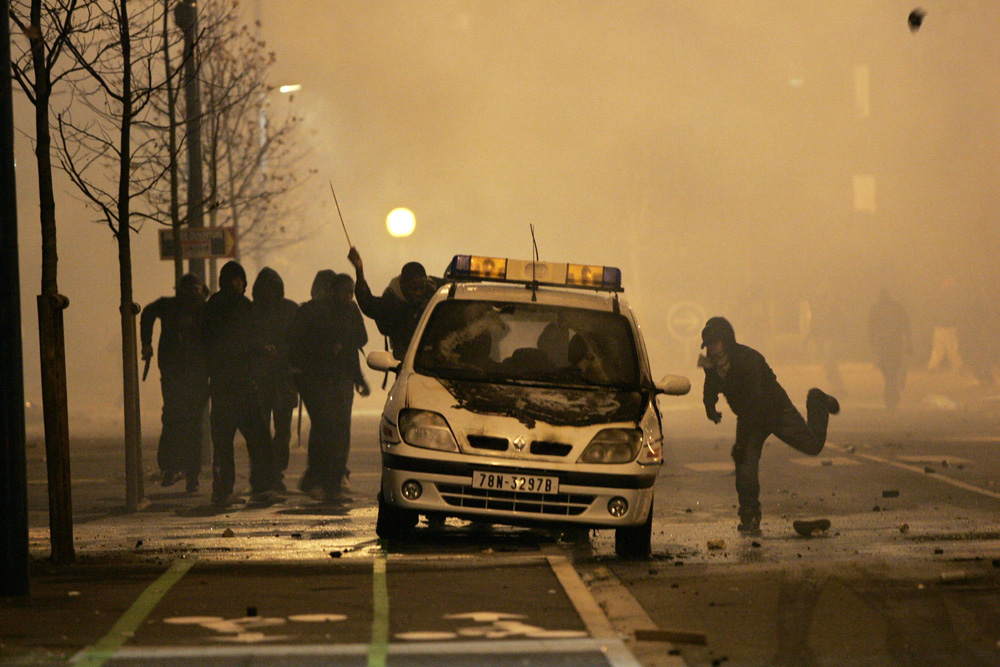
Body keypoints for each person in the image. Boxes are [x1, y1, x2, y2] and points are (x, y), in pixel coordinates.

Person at [699, 316, 840, 535]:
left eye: (715, 343)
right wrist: (711, 408)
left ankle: (817, 401)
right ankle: (750, 517)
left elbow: (756, 398)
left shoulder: (749, 359)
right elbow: (710, 387)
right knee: (745, 466)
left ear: (726, 341)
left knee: (813, 446)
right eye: (708, 344)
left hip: (774, 411)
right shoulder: (710, 362)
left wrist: (743, 440)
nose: (711, 348)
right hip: (748, 417)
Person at [201, 260, 279, 506]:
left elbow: (249, 338)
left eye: (241, 279)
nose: (239, 283)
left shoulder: (239, 306)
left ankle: (242, 488)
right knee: (236, 440)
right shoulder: (221, 306)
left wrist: (260, 350)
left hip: (239, 382)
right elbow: (228, 341)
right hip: (229, 383)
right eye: (235, 279)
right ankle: (231, 489)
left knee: (249, 438)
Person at [288, 270, 368, 502]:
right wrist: (328, 349)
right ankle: (319, 482)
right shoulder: (315, 312)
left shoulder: (349, 311)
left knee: (337, 430)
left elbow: (356, 343)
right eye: (345, 292)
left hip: (336, 377)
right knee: (327, 428)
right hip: (315, 378)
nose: (348, 297)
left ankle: (328, 482)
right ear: (333, 291)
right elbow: (297, 343)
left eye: (351, 293)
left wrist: (358, 379)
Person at [140, 273, 209, 493]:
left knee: (179, 420)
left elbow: (148, 313)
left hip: (188, 373)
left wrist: (147, 344)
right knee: (182, 421)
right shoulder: (180, 308)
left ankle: (183, 471)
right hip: (180, 373)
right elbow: (147, 314)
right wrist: (147, 343)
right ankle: (183, 471)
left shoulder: (187, 308)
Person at [347, 246, 443, 360]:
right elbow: (368, 303)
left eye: (422, 288)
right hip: (408, 363)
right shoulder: (391, 304)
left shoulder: (437, 290)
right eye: (413, 289)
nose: (418, 293)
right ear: (402, 284)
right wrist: (359, 270)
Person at [251, 267, 299, 490]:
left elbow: (300, 341)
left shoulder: (290, 310)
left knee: (282, 431)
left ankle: (276, 471)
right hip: (260, 379)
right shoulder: (251, 312)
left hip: (283, 378)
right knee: (260, 430)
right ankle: (264, 472)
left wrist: (280, 352)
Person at [867, 289, 913, 409]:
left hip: (892, 342)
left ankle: (891, 395)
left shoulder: (890, 308)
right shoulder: (889, 308)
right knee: (890, 371)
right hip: (887, 343)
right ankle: (893, 393)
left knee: (890, 371)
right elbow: (871, 327)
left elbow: (905, 325)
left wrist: (909, 342)